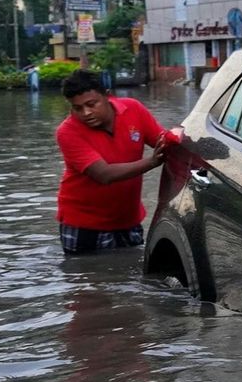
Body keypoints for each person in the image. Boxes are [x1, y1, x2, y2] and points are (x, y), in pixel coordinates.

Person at [55, 69, 174, 254]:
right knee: (85, 278)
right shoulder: (68, 131)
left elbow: (164, 141)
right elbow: (103, 174)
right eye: (77, 108)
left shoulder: (133, 109)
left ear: (107, 96)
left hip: (128, 219)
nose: (86, 113)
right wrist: (151, 162)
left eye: (91, 104)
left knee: (130, 274)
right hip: (83, 223)